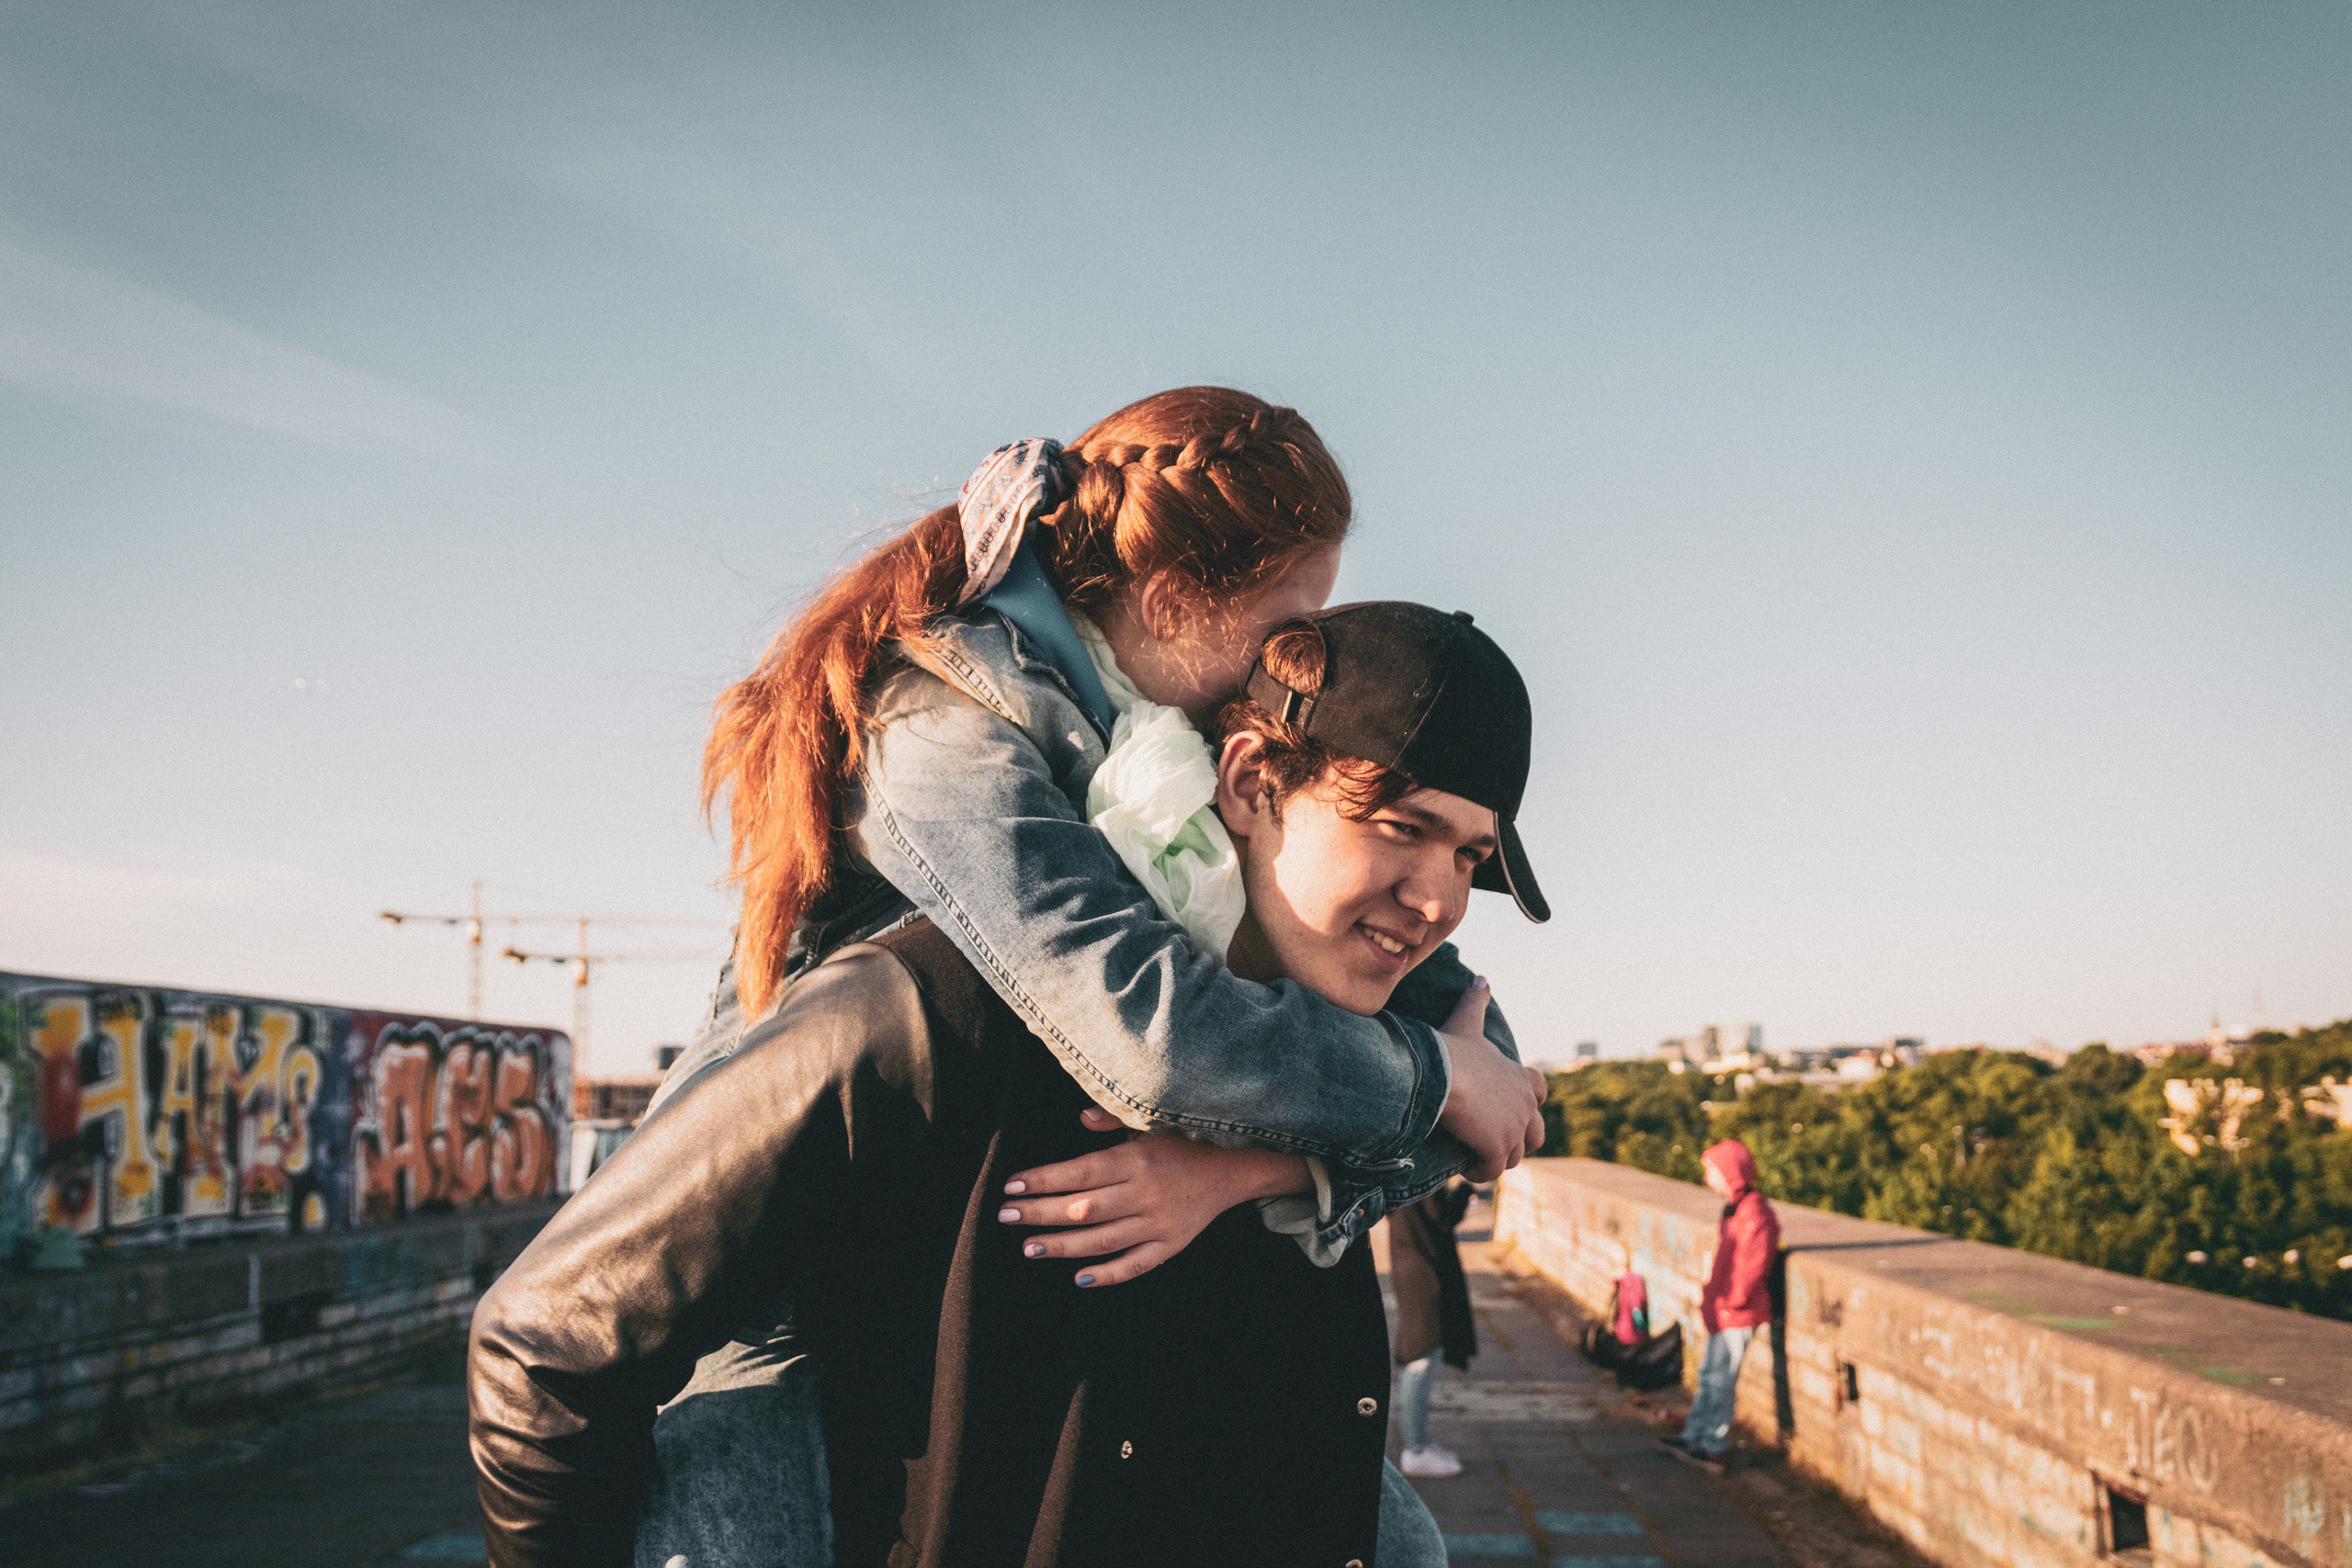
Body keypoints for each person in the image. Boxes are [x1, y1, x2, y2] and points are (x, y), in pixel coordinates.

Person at [628, 390, 1545, 1566]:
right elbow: (1149, 1037)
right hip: (773, 1313)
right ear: (1169, 603)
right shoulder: (944, 727)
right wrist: (1423, 1083)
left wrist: (1242, 1169)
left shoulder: (1137, 753)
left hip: (969, 1291)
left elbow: (1493, 1071)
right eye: (1288, 619)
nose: (1284, 662)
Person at [1658, 1139, 1779, 1475]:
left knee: (1721, 1381)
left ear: (1731, 1174)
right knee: (1710, 1377)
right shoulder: (1736, 1209)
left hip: (1737, 1312)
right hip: (1725, 1310)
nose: (1706, 1179)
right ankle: (1695, 1437)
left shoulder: (1754, 1211)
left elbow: (1752, 1266)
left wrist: (1730, 1301)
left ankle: (1712, 1447)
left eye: (1711, 1172)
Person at [1386, 1179, 1478, 1478]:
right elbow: (1442, 1216)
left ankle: (1420, 1443)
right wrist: (1466, 1188)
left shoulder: (1405, 1157)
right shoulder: (1420, 1162)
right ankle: (1415, 1450)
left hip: (1411, 1260)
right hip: (1422, 1269)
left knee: (1423, 1353)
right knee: (1421, 1357)